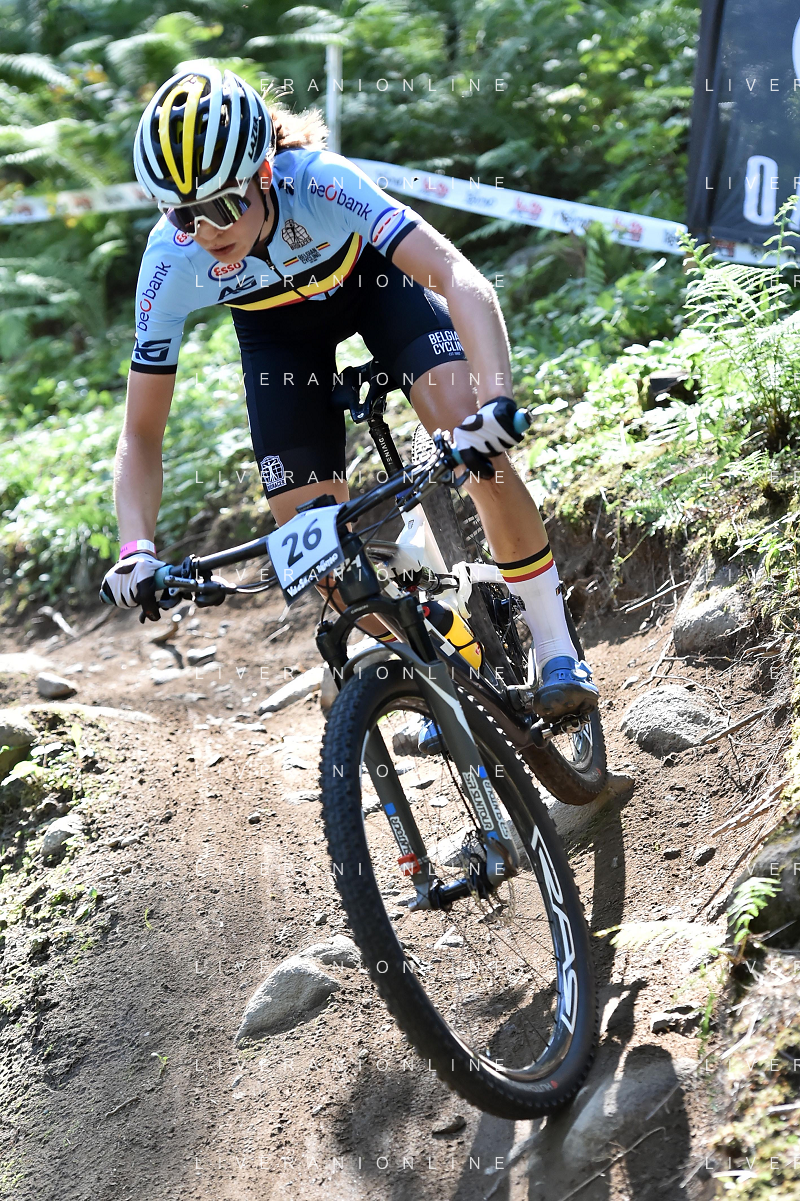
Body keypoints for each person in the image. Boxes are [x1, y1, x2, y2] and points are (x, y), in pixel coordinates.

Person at [101, 68, 598, 720]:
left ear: (263, 173)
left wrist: (495, 403)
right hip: (278, 340)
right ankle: (453, 667)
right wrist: (135, 548)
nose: (207, 230)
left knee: (476, 447)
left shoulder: (319, 182)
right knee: (318, 556)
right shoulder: (171, 259)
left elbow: (456, 275)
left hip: (376, 288)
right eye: (183, 214)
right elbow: (141, 433)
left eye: (222, 206)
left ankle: (556, 646)